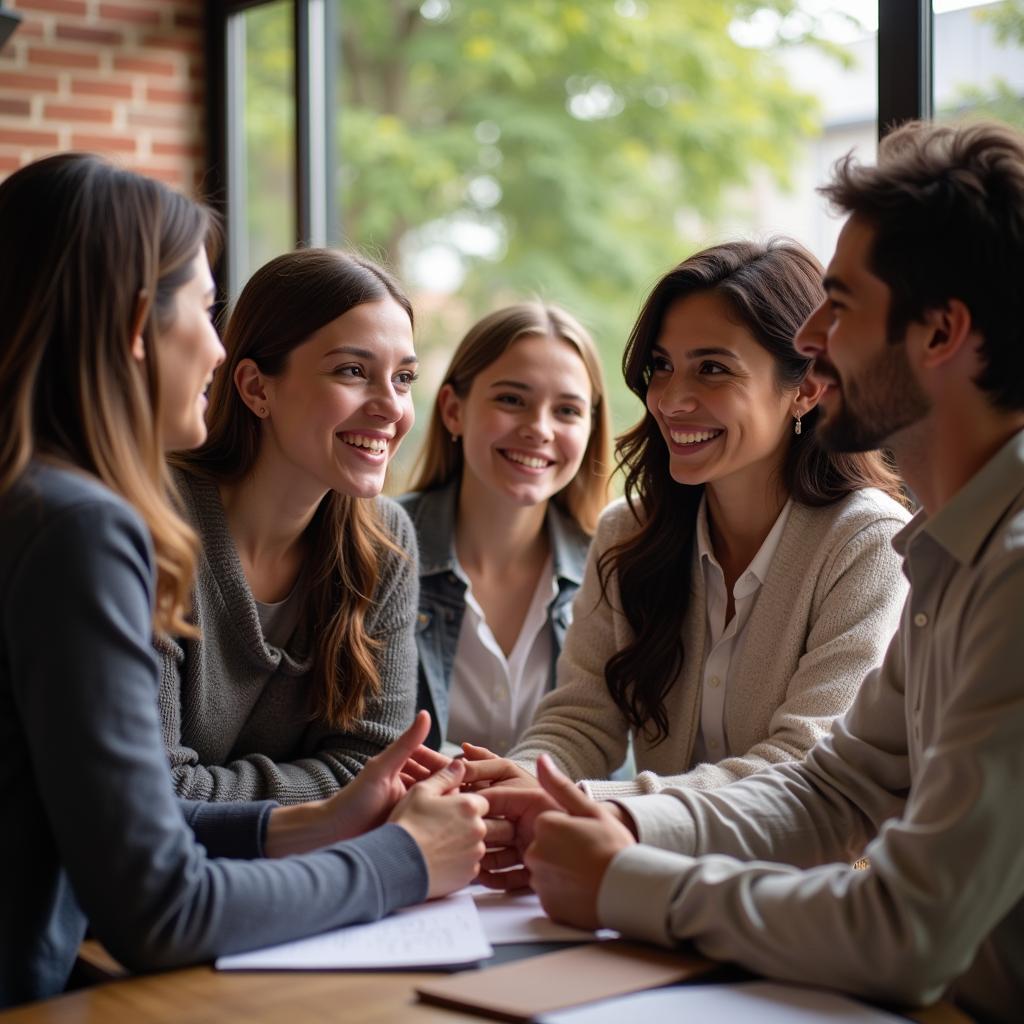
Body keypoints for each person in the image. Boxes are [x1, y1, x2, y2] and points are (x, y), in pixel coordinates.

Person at [485, 120, 1024, 1023]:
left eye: (841, 306)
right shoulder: (948, 554)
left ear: (942, 333)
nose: (813, 339)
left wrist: (627, 879)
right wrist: (611, 822)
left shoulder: (1001, 571)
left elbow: (906, 929)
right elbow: (834, 785)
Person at [0, 153, 486, 1009]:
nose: (220, 349)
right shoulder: (88, 525)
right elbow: (161, 903)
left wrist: (304, 824)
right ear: (136, 326)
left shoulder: (35, 501)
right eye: (206, 309)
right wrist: (400, 862)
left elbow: (121, 817)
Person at [453, 240, 909, 796]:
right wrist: (508, 782)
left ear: (807, 389)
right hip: (660, 871)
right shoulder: (628, 531)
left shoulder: (868, 543)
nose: (669, 400)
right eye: (662, 366)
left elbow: (802, 767)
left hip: (827, 877)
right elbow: (581, 722)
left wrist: (590, 800)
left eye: (712, 369)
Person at [159, 249, 422, 804]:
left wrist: (217, 795)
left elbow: (374, 767)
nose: (391, 407)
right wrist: (328, 796)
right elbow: (155, 794)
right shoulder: (153, 521)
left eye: (403, 378)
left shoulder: (386, 540)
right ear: (256, 388)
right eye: (353, 371)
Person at [398, 303, 612, 753]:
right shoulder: (376, 546)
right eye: (512, 400)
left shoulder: (614, 569)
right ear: (454, 410)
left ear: (591, 429)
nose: (539, 429)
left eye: (568, 411)